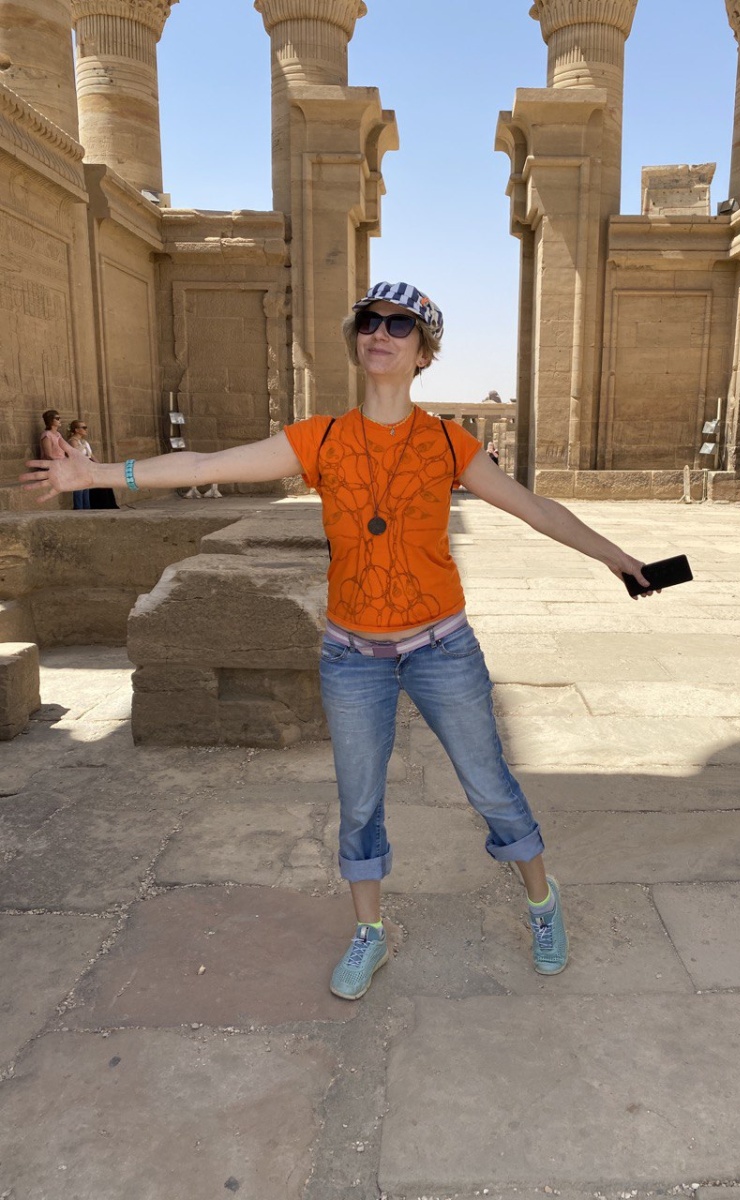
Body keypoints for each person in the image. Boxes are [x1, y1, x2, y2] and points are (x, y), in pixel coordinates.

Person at [22, 280, 656, 1001]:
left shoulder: (449, 443)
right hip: (353, 656)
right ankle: (369, 932)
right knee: (359, 802)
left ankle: (542, 902)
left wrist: (617, 559)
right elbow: (204, 466)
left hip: (442, 647)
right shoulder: (320, 439)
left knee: (489, 784)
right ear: (357, 341)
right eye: (368, 321)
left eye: (399, 324)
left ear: (424, 352)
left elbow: (536, 509)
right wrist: (96, 472)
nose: (379, 332)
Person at [67, 419, 94, 510]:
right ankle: (79, 513)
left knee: (86, 493)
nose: (86, 429)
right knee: (79, 492)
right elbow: (75, 456)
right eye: (84, 427)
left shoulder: (84, 441)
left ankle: (86, 512)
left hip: (86, 468)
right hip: (77, 469)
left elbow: (91, 455)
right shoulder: (73, 441)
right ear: (76, 430)